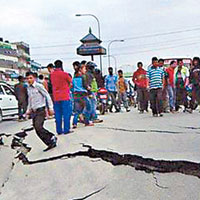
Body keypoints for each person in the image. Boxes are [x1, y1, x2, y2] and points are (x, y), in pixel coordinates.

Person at [25, 72, 57, 152]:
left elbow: (47, 96)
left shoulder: (39, 86)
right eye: (27, 78)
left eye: (30, 78)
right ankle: (50, 142)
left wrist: (50, 108)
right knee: (37, 129)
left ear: (34, 78)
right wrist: (28, 110)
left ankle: (51, 137)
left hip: (41, 110)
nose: (29, 80)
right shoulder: (28, 88)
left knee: (38, 126)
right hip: (34, 111)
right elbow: (30, 100)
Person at [51, 60, 73, 135]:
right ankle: (66, 129)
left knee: (58, 114)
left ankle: (59, 130)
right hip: (65, 96)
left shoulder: (52, 75)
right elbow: (71, 83)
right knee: (66, 114)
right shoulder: (65, 74)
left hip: (56, 97)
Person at [72, 61, 93, 128]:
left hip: (76, 95)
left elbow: (72, 86)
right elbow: (85, 86)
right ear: (80, 69)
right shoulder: (82, 77)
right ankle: (87, 121)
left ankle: (74, 123)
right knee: (89, 107)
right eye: (84, 69)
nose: (85, 70)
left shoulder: (74, 77)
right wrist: (89, 89)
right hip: (83, 95)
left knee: (77, 111)